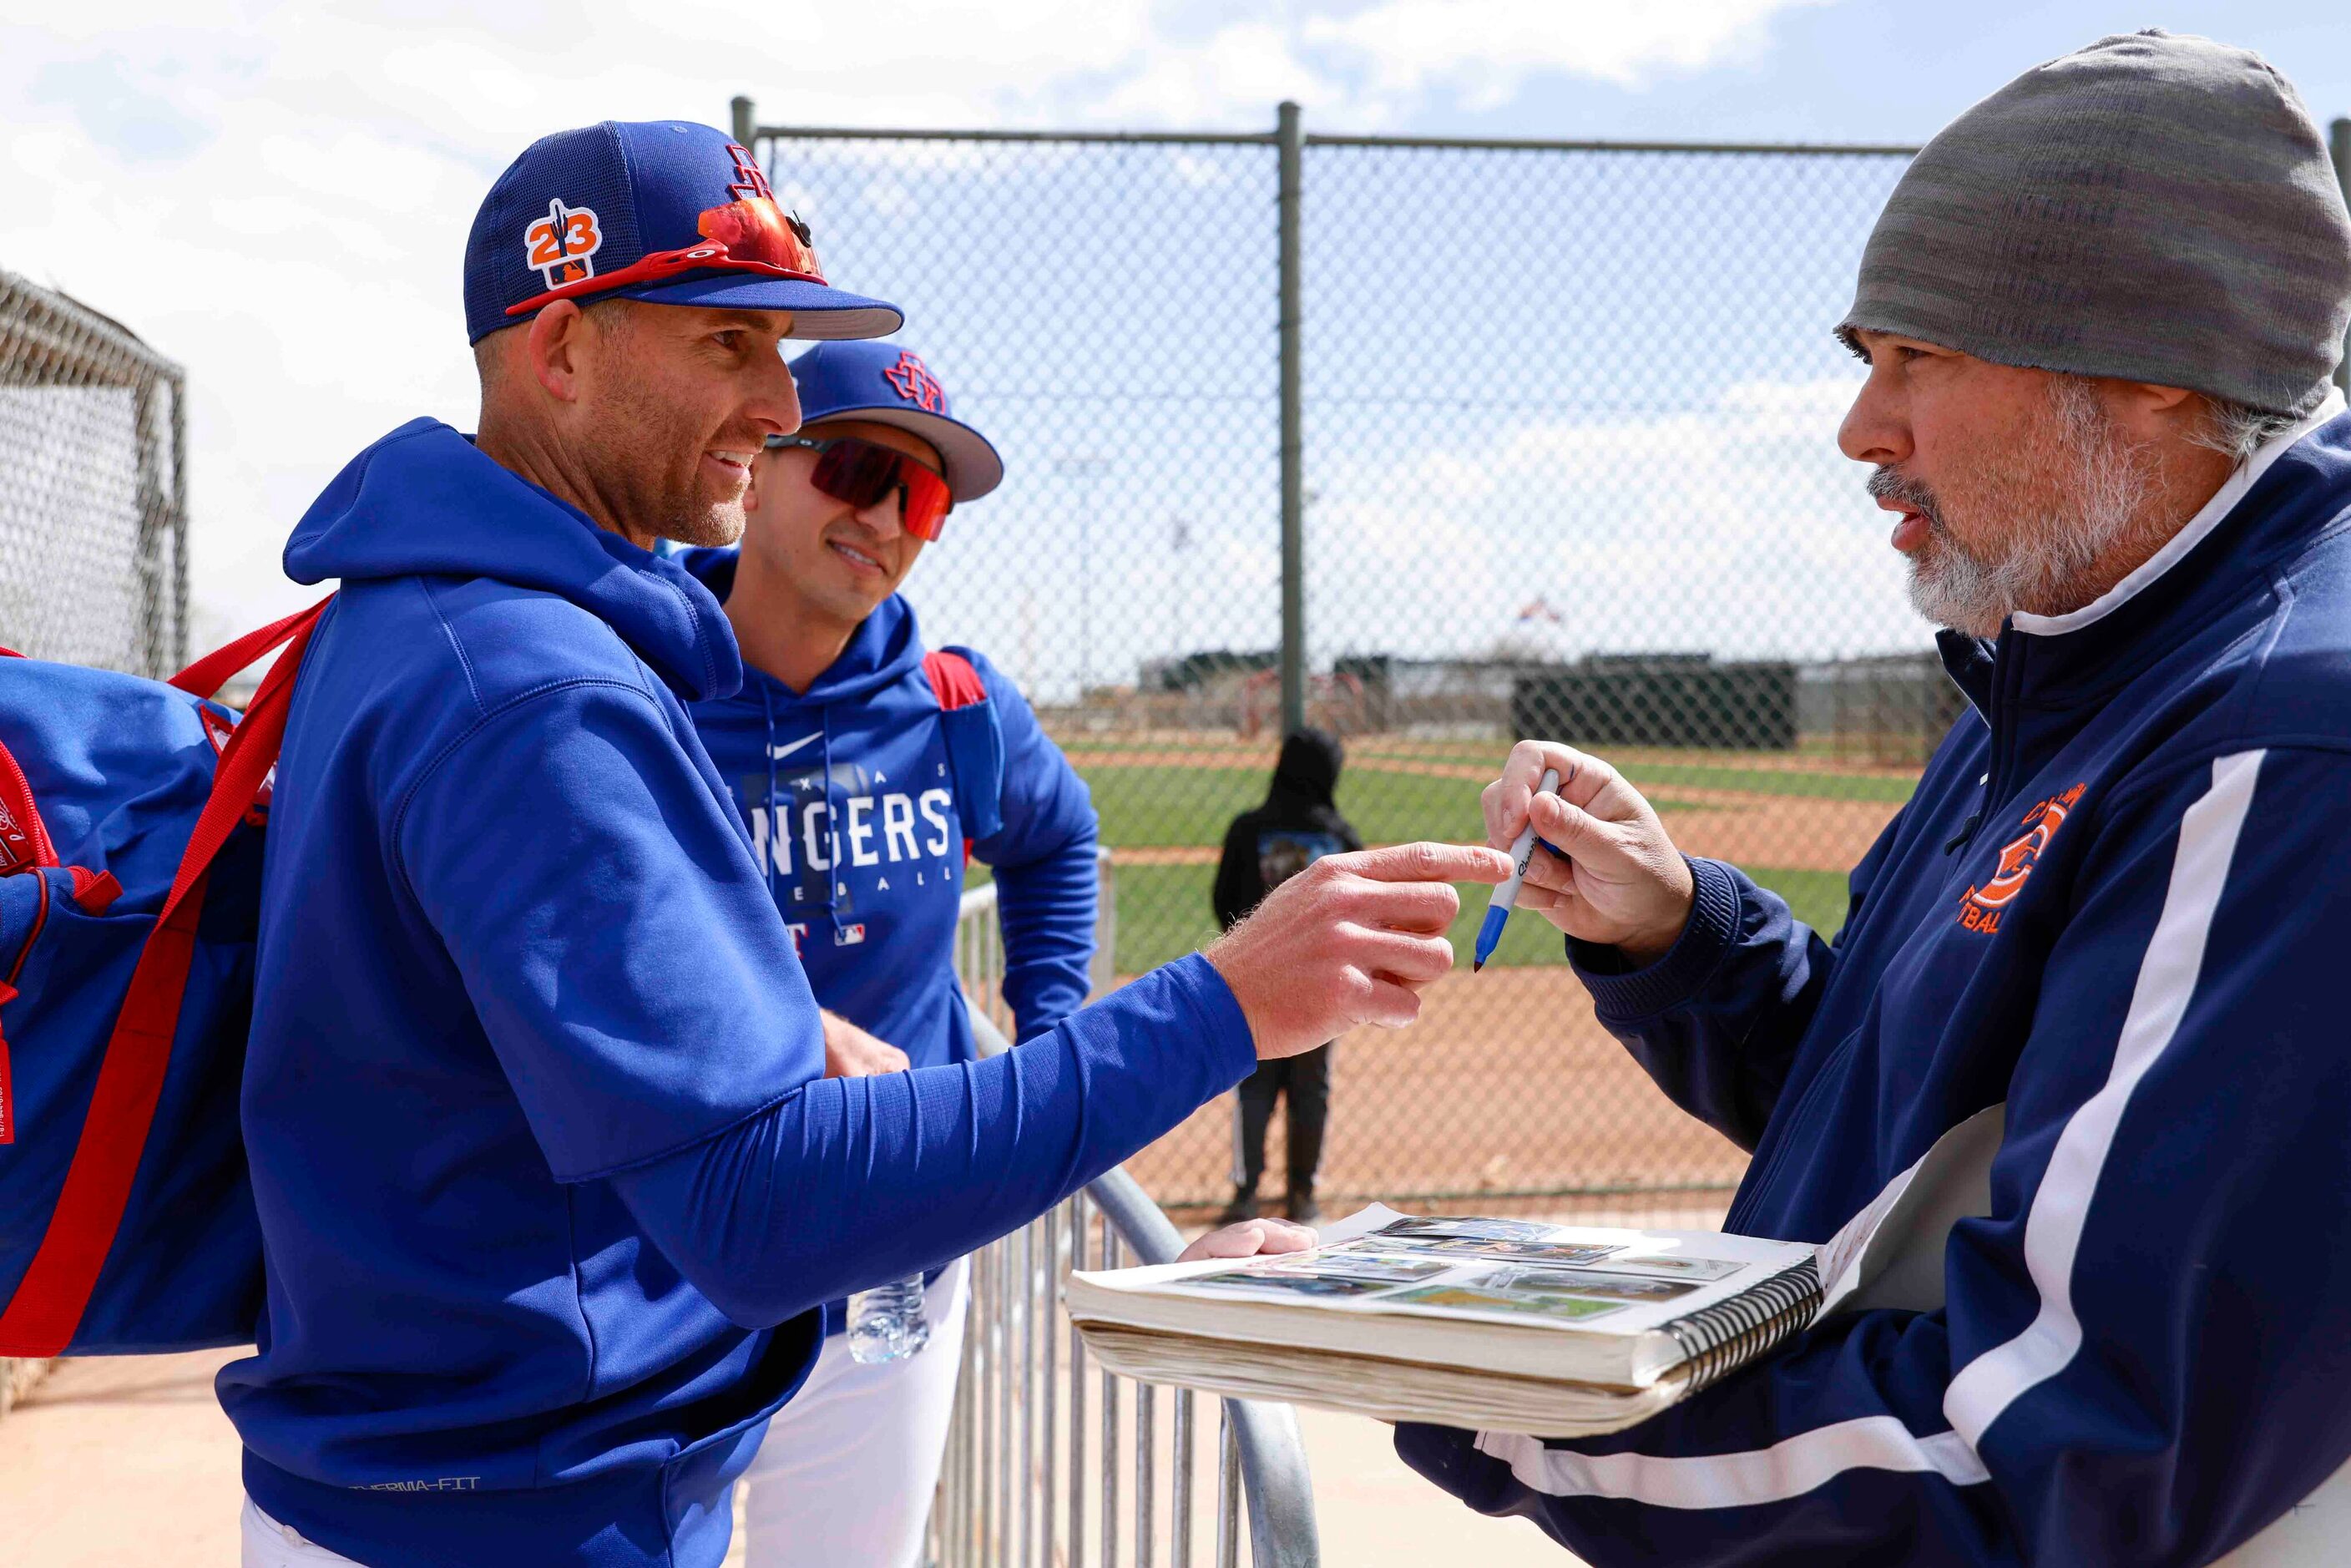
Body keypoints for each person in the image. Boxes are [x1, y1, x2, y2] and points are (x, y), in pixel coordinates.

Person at [220, 119, 1506, 1568]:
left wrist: (825, 1028)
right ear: (563, 347)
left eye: (785, 352)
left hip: (463, 1460)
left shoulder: (430, 612)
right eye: (730, 344)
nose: (778, 399)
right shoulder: (535, 685)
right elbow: (754, 1200)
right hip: (514, 1499)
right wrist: (1222, 1004)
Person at [1397, 31, 2351, 1565]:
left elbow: (2059, 1454)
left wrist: (1482, 1390)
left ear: (2162, 370)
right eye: (1866, 361)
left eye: (1923, 356)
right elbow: (1908, 1122)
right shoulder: (2067, 645)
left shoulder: (2280, 744)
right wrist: (1680, 936)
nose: (1862, 429)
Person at [673, 337, 1095, 1566]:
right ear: (758, 470)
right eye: (858, 468)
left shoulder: (958, 706)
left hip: (888, 1256)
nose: (887, 519)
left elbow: (1058, 837)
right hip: (665, 1250)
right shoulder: (634, 678)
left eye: (922, 499)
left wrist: (1052, 1035)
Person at [1212, 726, 1363, 1225]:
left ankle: (1245, 1192)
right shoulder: (1340, 838)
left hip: (1251, 983)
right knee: (1310, 1089)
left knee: (1253, 1087)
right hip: (1320, 986)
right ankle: (1303, 1195)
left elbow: (1223, 899)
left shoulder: (1247, 829)